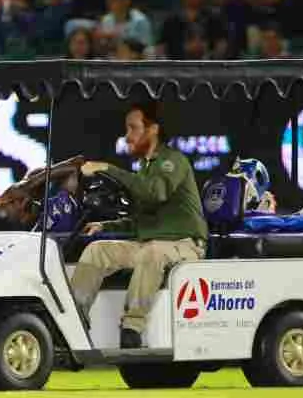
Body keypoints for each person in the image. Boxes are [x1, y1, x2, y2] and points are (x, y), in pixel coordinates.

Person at [72, 101, 207, 348]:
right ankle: (73, 319)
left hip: (185, 245)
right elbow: (141, 223)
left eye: (133, 128)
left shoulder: (171, 161)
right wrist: (106, 227)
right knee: (97, 250)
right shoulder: (144, 168)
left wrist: (108, 168)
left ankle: (132, 329)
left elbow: (155, 194)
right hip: (153, 245)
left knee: (152, 251)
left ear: (152, 130)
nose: (127, 136)